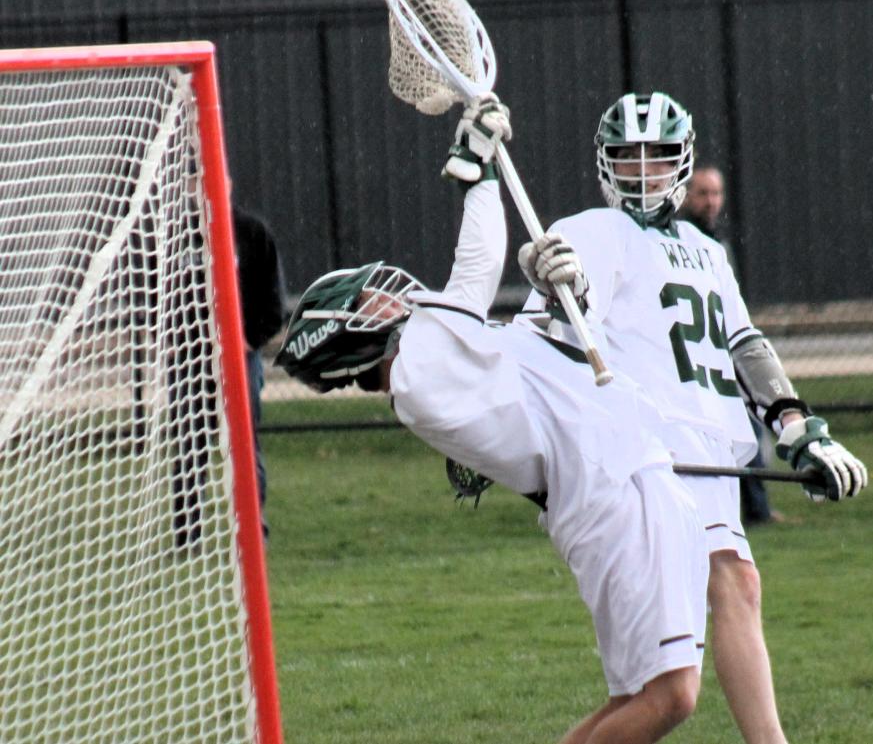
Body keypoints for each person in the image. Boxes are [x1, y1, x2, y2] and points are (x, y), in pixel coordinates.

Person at [276, 95, 711, 743]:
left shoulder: (438, 361)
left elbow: (548, 352)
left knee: (635, 694)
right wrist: (474, 170)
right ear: (356, 335)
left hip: (618, 479)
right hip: (616, 489)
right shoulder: (421, 368)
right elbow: (477, 267)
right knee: (671, 695)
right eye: (367, 297)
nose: (385, 289)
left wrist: (565, 288)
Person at [521, 91, 868, 744]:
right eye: (628, 156)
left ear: (682, 162)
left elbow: (744, 345)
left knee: (654, 685)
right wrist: (549, 284)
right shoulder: (595, 229)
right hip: (649, 447)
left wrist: (797, 427)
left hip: (706, 449)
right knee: (724, 598)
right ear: (605, 162)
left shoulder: (706, 249)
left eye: (658, 157)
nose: (643, 170)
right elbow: (551, 324)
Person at [679, 164, 781, 526]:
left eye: (716, 193)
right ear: (686, 194)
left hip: (722, 353)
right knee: (743, 428)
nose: (711, 201)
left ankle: (748, 509)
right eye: (702, 193)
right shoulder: (683, 240)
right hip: (701, 360)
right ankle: (753, 511)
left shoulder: (715, 242)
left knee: (746, 428)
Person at [232, 203, 287, 540]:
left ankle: (254, 523)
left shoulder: (252, 233)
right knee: (189, 440)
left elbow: (273, 301)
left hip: (242, 358)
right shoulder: (180, 235)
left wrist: (249, 339)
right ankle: (187, 531)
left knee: (245, 438)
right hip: (193, 358)